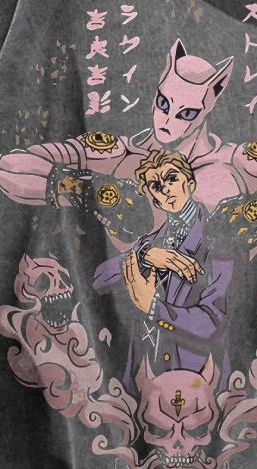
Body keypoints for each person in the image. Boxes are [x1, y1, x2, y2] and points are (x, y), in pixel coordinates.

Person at [92, 148, 236, 395]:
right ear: (155, 199)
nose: (166, 189)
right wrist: (144, 255)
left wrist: (153, 307)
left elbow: (211, 323)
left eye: (171, 179)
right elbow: (98, 279)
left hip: (196, 378)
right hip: (144, 378)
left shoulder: (219, 239)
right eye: (156, 186)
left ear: (190, 183)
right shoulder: (151, 243)